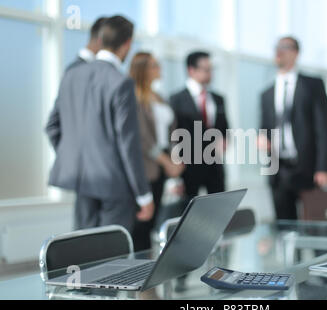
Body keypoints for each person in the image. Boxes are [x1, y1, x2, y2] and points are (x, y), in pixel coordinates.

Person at [45, 16, 154, 233]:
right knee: (113, 258)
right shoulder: (121, 82)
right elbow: (128, 143)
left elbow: (52, 126)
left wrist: (75, 158)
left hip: (81, 181)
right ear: (127, 44)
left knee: (83, 250)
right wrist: (144, 194)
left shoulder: (72, 74)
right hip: (114, 185)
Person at [259, 36, 327, 221]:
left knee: (317, 227)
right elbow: (266, 127)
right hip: (278, 170)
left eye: (285, 47)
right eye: (277, 47)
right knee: (285, 228)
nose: (279, 51)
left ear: (296, 53)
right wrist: (262, 138)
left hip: (308, 168)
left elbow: (323, 127)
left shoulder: (312, 85)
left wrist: (323, 167)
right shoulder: (267, 93)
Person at [129, 52, 185, 251]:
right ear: (142, 69)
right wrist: (166, 161)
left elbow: (171, 132)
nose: (159, 68)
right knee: (142, 224)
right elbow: (141, 138)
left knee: (154, 221)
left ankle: (149, 270)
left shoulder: (159, 97)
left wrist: (175, 160)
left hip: (162, 164)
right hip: (146, 165)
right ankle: (139, 274)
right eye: (154, 65)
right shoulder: (134, 97)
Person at [170, 51, 229, 201]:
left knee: (219, 211)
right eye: (206, 69)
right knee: (188, 214)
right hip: (188, 169)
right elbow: (173, 137)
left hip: (215, 166)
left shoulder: (218, 99)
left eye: (211, 69)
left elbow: (224, 128)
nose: (210, 74)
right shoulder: (176, 100)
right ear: (191, 70)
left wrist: (224, 139)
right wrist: (175, 175)